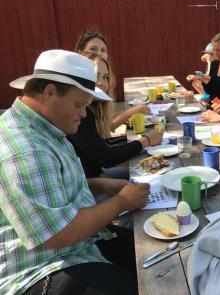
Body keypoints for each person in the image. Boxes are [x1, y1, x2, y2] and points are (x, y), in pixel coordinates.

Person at [0, 50, 150, 294]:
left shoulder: (45, 126)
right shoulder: (24, 149)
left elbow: (54, 188)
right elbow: (58, 233)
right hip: (41, 269)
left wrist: (100, 185)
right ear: (49, 92)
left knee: (156, 252)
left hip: (82, 242)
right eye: (79, 105)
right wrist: (121, 202)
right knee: (153, 285)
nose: (83, 113)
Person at [68, 52, 163, 179]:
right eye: (96, 76)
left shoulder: (92, 108)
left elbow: (102, 145)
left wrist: (133, 141)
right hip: (91, 187)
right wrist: (146, 140)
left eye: (105, 77)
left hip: (97, 177)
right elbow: (106, 157)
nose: (101, 83)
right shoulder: (80, 114)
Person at [75, 30, 149, 131]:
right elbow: (105, 130)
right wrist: (129, 113)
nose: (99, 54)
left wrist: (130, 112)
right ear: (80, 53)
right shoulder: (80, 88)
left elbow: (103, 124)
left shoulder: (105, 77)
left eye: (103, 50)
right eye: (93, 49)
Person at [186, 33, 220, 103]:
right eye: (214, 50)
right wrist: (202, 79)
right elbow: (210, 89)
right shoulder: (214, 64)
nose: (215, 53)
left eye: (218, 50)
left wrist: (204, 78)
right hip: (212, 106)